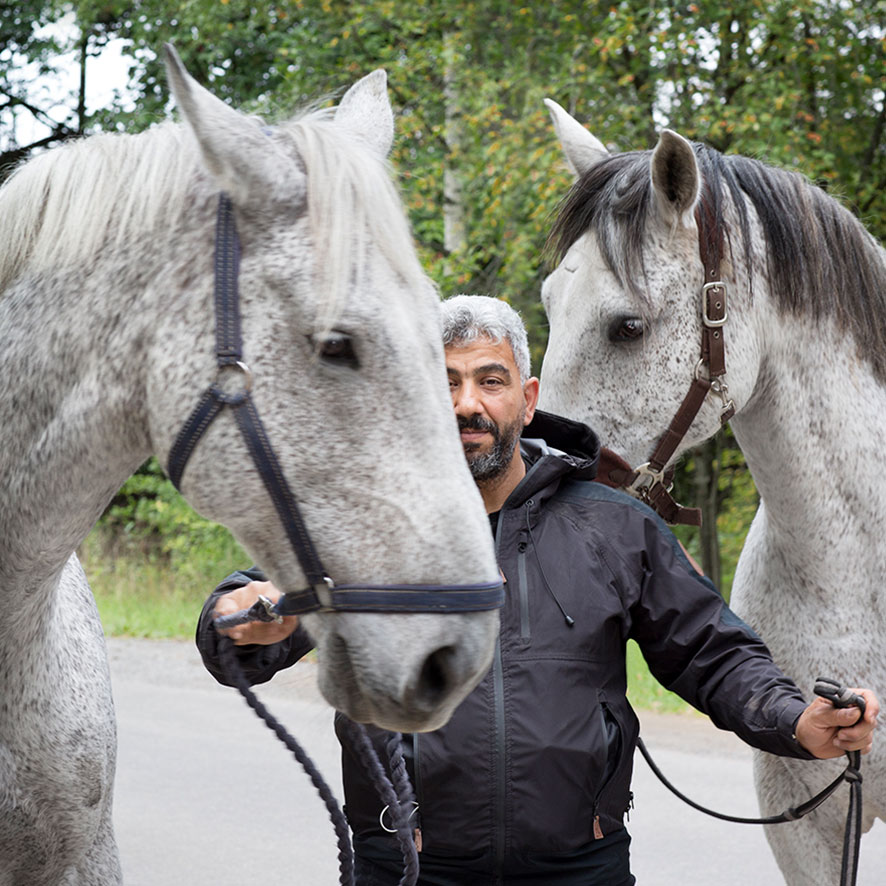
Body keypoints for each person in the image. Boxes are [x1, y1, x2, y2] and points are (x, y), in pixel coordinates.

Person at [196, 295, 879, 886]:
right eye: (448, 383)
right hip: (404, 863)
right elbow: (254, 613)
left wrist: (796, 722)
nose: (468, 403)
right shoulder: (363, 525)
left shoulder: (614, 526)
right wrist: (236, 619)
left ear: (527, 398)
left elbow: (711, 652)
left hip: (581, 867)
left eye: (490, 381)